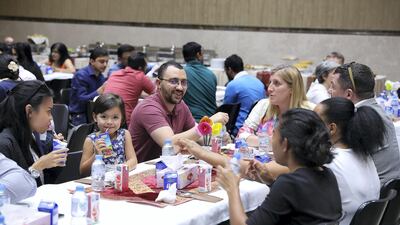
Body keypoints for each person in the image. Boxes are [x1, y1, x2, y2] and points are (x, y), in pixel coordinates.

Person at [220, 109, 343, 225]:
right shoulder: (327, 174)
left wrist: (232, 189)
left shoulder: (288, 184)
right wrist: (271, 181)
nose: (271, 140)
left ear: (285, 144)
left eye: (273, 134)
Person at [129, 61, 229, 162]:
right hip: (140, 171)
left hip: (169, 167)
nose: (180, 87)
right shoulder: (148, 108)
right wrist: (208, 123)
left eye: (184, 82)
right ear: (158, 83)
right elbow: (170, 145)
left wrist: (217, 138)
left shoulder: (180, 105)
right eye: (173, 81)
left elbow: (198, 137)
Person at [329, 62, 400, 185]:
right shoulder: (376, 110)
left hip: (373, 192)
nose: (329, 90)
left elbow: (338, 161)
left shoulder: (358, 118)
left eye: (333, 86)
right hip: (388, 192)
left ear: (348, 94)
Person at [314, 97, 383, 225]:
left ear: (331, 129)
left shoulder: (330, 162)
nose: (309, 126)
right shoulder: (364, 155)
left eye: (314, 121)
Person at [0, 81, 68, 186]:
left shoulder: (32, 135)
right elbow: (6, 190)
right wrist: (36, 168)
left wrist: (55, 158)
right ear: (29, 111)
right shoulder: (4, 144)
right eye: (48, 111)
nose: (51, 118)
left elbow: (45, 180)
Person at [237, 65, 315, 146]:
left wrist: (259, 141)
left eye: (277, 83)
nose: (269, 89)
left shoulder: (310, 112)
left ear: (292, 88)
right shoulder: (263, 105)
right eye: (270, 82)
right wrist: (271, 143)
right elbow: (241, 135)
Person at [80, 93, 137, 175]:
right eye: (103, 117)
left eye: (115, 117)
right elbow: (83, 171)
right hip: (100, 182)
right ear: (95, 117)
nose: (109, 122)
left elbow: (133, 160)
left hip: (120, 178)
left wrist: (119, 171)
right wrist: (96, 155)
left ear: (122, 118)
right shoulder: (91, 140)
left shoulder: (124, 134)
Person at [104, 52, 155, 126]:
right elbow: (157, 94)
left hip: (103, 116)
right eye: (146, 65)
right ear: (141, 67)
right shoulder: (140, 77)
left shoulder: (115, 73)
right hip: (123, 120)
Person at [223, 54, 265, 136]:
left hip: (239, 130)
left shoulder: (233, 84)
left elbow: (226, 111)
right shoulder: (259, 83)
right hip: (257, 129)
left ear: (229, 70)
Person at [70, 47, 109, 126]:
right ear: (92, 61)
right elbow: (81, 100)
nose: (105, 64)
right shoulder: (81, 75)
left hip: (94, 112)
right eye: (101, 61)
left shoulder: (101, 76)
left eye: (106, 62)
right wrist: (98, 92)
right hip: (80, 114)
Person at [182, 42, 217, 122]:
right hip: (212, 121)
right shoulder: (211, 74)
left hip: (191, 123)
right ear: (198, 55)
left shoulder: (182, 73)